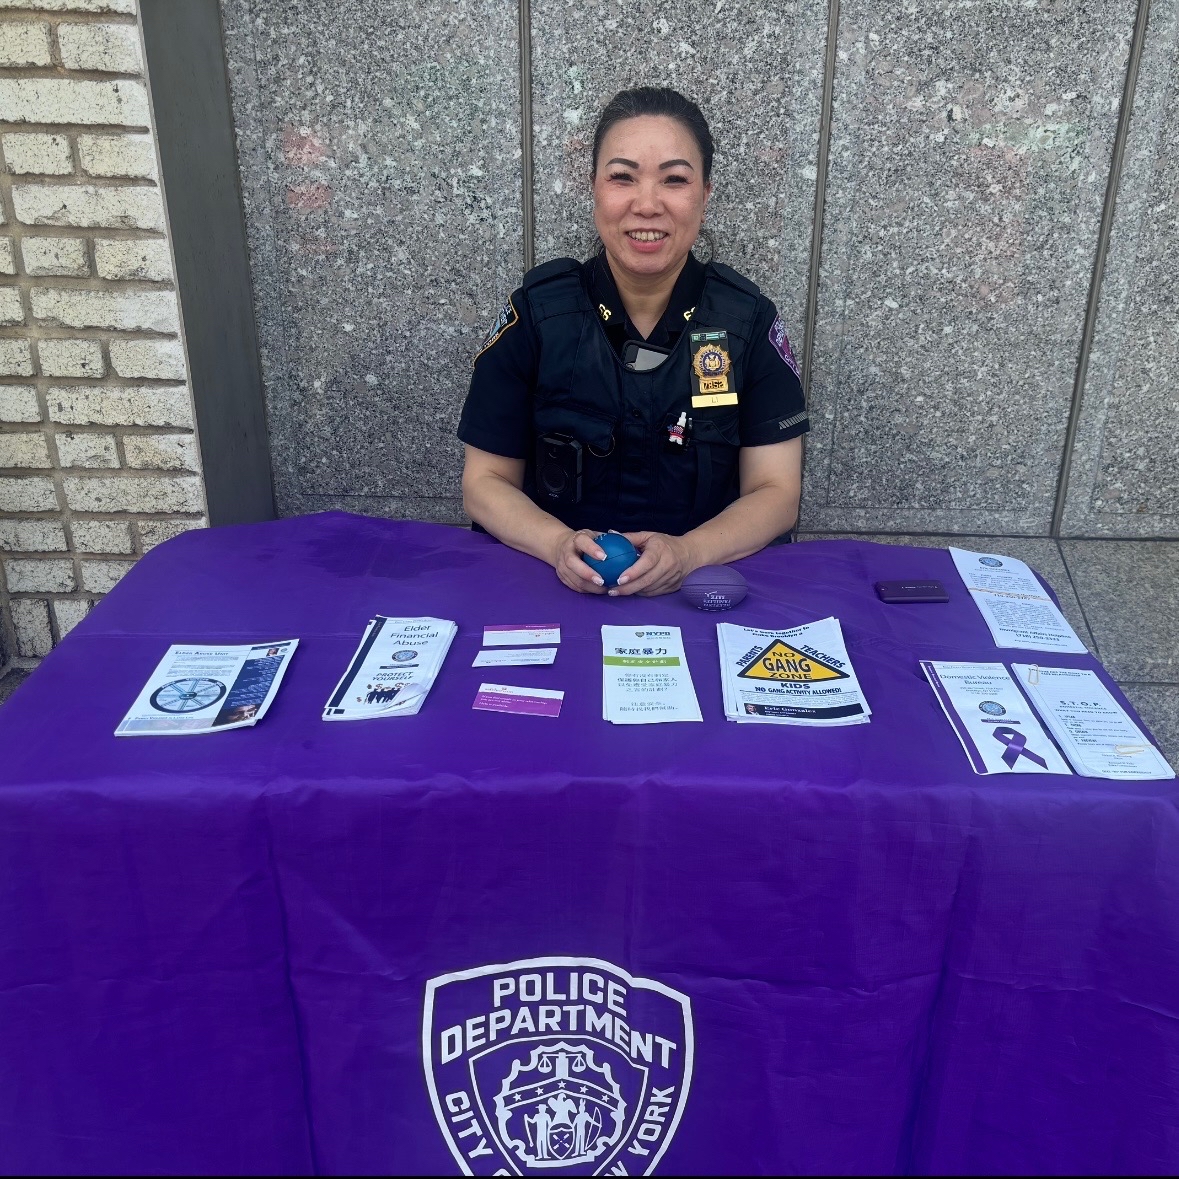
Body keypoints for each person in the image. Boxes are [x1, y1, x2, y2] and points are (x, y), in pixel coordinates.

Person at [458, 86, 809, 597]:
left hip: (703, 594)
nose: (647, 204)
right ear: (594, 188)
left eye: (674, 180)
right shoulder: (536, 314)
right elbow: (484, 481)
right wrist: (558, 545)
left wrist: (689, 553)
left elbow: (777, 492)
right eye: (622, 177)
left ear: (705, 194)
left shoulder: (747, 322)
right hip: (553, 590)